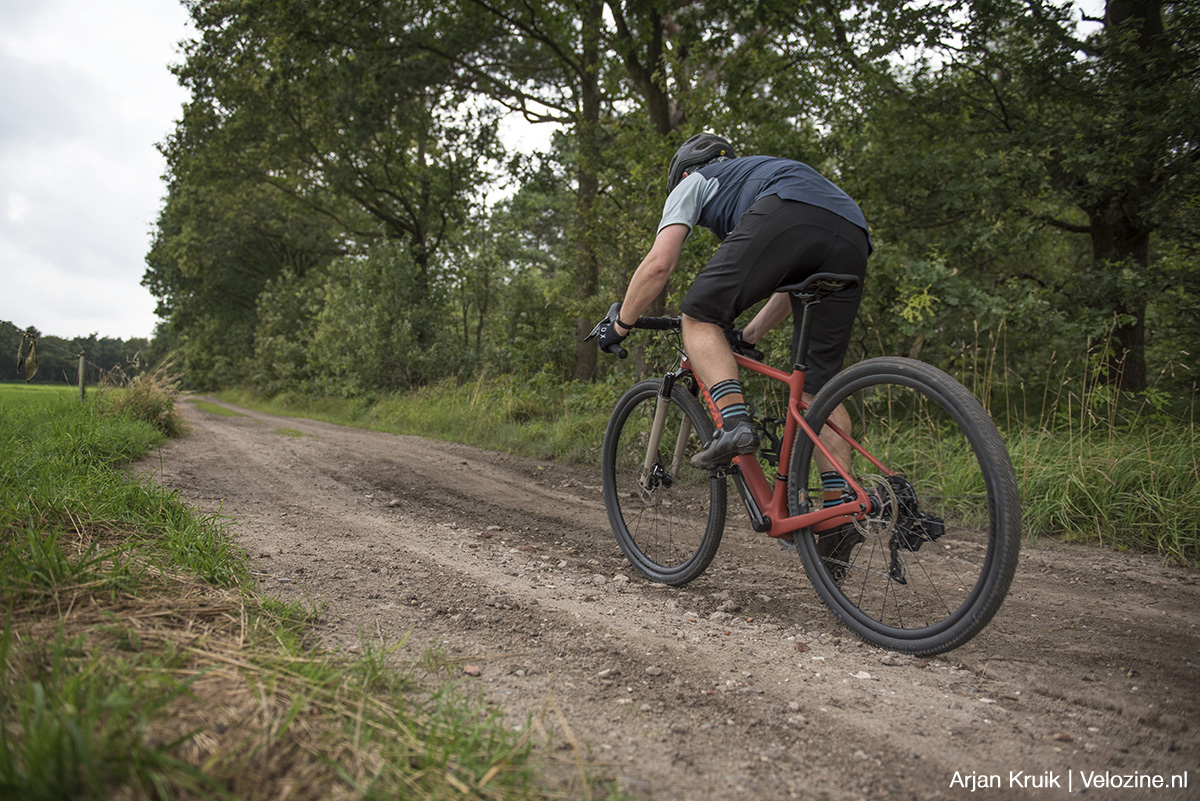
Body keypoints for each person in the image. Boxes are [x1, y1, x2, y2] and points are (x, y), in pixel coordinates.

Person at [593, 133, 871, 481]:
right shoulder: (758, 172)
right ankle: (840, 509)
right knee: (818, 389)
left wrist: (620, 324)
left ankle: (734, 424)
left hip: (785, 209)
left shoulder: (693, 182)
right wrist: (750, 336)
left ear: (682, 174)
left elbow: (659, 264)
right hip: (853, 232)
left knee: (698, 316)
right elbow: (792, 286)